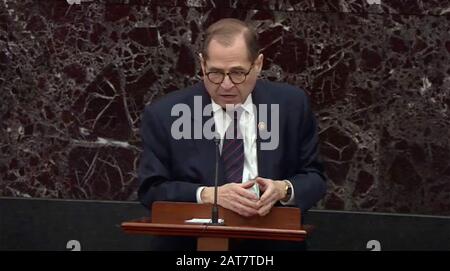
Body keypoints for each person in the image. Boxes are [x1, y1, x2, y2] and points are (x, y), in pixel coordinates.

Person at [138, 18, 326, 250]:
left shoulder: (290, 106)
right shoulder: (166, 114)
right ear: (202, 65)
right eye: (215, 73)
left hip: (271, 244)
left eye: (237, 73)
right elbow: (151, 190)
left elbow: (314, 177)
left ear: (257, 64)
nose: (226, 85)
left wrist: (283, 190)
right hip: (189, 247)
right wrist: (206, 195)